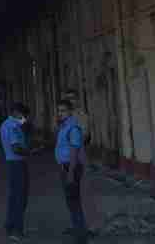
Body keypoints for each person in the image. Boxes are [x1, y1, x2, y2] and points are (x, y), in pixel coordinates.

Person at [55, 99, 88, 236]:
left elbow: (74, 152)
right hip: (65, 167)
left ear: (70, 112)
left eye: (63, 111)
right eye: (59, 110)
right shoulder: (64, 127)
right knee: (71, 200)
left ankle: (80, 233)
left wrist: (70, 173)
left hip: (71, 167)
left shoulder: (73, 128)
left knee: (74, 201)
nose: (60, 113)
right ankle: (77, 228)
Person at [0, 102, 31, 239]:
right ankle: (17, 230)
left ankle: (10, 225)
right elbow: (16, 147)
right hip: (17, 163)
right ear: (17, 112)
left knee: (14, 197)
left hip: (12, 163)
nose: (24, 118)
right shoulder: (12, 126)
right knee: (20, 198)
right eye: (23, 115)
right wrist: (30, 152)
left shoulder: (6, 125)